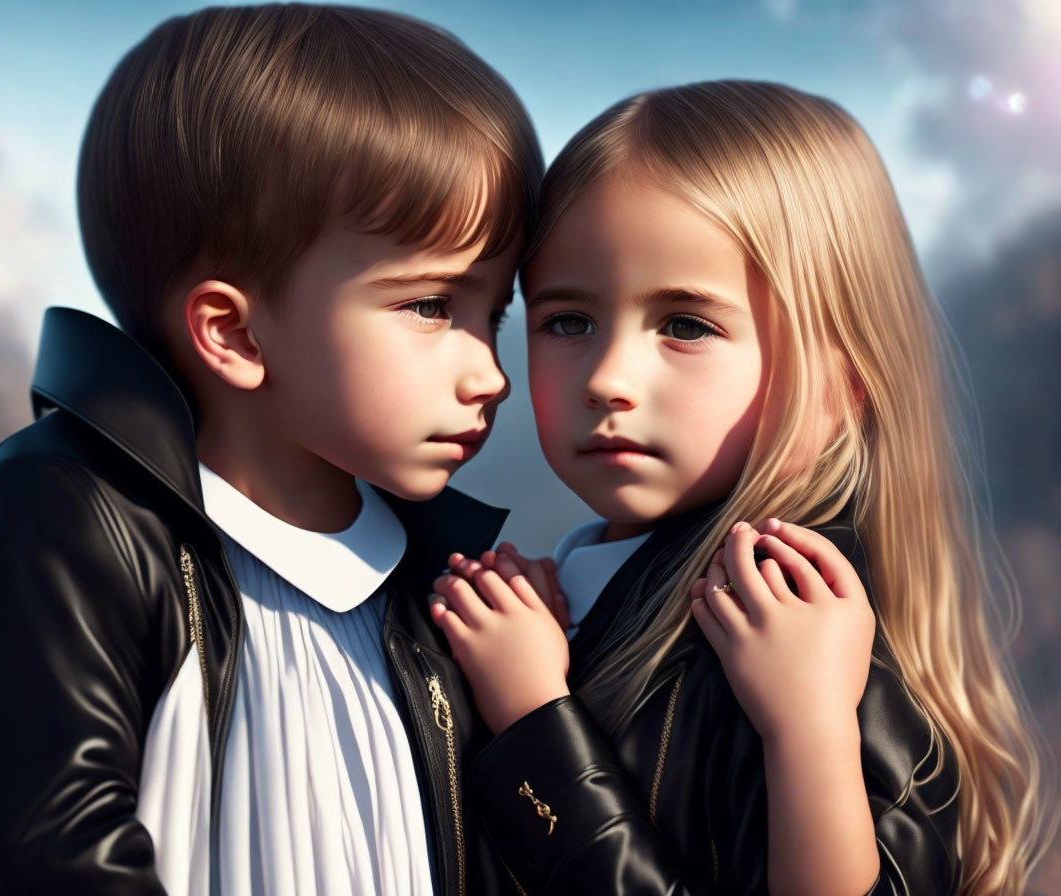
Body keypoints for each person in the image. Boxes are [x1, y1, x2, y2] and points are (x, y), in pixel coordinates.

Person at [0, 5, 542, 894]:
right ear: (233, 332)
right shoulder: (78, 516)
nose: (491, 374)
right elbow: (58, 850)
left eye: (492, 315)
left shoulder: (442, 581)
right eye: (431, 306)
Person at [430, 81, 1052, 895]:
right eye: (567, 321)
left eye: (686, 325)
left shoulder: (795, 631)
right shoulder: (587, 592)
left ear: (845, 374)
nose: (608, 379)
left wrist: (534, 718)